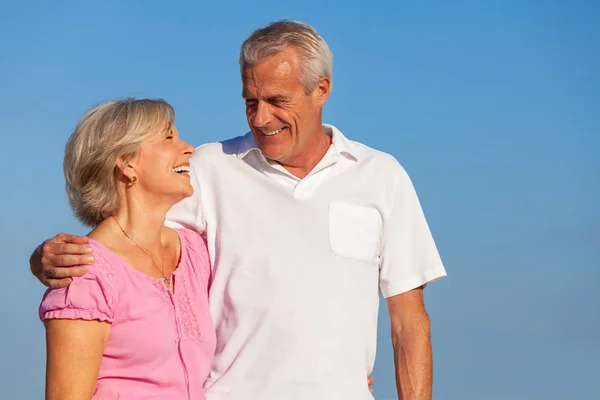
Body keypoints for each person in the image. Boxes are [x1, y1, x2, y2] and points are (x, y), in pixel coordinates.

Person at [31, 20, 446, 399]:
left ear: (322, 89)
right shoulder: (210, 168)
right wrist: (44, 258)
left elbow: (409, 321)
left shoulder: (381, 176)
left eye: (277, 100)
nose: (261, 118)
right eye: (251, 101)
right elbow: (127, 238)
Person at [38, 99, 215, 400]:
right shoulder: (83, 273)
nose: (189, 148)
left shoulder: (195, 252)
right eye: (169, 137)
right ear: (127, 162)